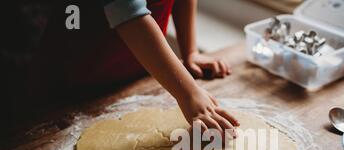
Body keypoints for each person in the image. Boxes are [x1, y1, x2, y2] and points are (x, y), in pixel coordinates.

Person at [27, 0, 239, 137]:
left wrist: (190, 51)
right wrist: (188, 93)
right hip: (74, 77)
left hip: (133, 69)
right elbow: (130, 15)